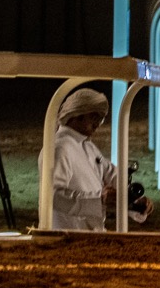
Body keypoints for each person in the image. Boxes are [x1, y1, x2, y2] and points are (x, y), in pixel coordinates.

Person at [41, 88, 152, 231]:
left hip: (91, 233)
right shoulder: (59, 148)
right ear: (77, 114)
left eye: (102, 118)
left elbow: (112, 175)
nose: (99, 123)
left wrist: (134, 201)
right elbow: (53, 196)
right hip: (68, 235)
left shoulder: (87, 146)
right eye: (95, 116)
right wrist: (99, 200)